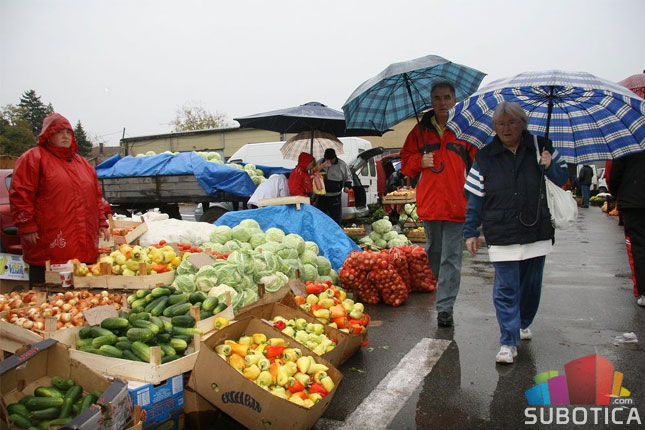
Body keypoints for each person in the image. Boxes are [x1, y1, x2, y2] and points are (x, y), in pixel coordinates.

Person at [463, 101, 568, 364]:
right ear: (494, 127)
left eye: (512, 122)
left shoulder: (541, 146)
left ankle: (522, 323)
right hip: (501, 229)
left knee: (531, 286)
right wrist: (470, 231)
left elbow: (563, 179)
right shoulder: (484, 156)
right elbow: (474, 197)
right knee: (506, 288)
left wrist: (549, 164)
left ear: (523, 124)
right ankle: (508, 341)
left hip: (536, 228)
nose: (506, 128)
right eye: (501, 124)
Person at [400, 81, 477, 327]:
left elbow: (478, 165)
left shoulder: (465, 129)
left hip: (457, 204)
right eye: (437, 98)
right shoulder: (419, 132)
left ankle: (445, 307)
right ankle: (438, 288)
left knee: (451, 257)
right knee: (434, 252)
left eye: (446, 98)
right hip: (430, 204)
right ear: (430, 101)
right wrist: (419, 161)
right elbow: (405, 163)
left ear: (454, 99)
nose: (442, 103)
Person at [9, 113, 110, 286]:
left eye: (68, 132)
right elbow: (21, 193)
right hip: (49, 240)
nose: (65, 136)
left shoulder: (83, 164)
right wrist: (26, 225)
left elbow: (96, 196)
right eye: (59, 132)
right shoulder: (34, 158)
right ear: (48, 135)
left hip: (83, 242)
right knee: (46, 292)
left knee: (81, 293)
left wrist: (101, 221)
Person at [609, 151, 645, 307]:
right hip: (632, 200)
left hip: (633, 202)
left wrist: (619, 195)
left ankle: (643, 292)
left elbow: (614, 176)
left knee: (638, 248)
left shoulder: (625, 144)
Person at [315, 148, 352, 225]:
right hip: (321, 196)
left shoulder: (342, 165)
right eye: (327, 159)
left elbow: (348, 177)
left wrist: (347, 186)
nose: (329, 162)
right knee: (320, 217)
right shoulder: (319, 163)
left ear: (335, 158)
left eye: (331, 160)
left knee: (335, 219)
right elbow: (312, 172)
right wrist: (322, 166)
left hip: (335, 196)